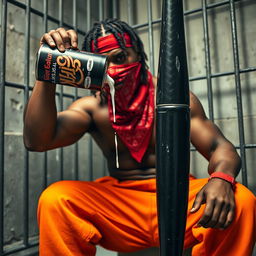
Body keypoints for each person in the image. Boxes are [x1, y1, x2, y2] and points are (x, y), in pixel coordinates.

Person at [23, 18, 256, 256]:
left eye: (121, 58)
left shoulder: (174, 97)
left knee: (242, 201)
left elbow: (219, 147)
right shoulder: (91, 108)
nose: (113, 69)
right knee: (56, 199)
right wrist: (47, 69)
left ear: (138, 54)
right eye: (104, 62)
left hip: (179, 200)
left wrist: (221, 179)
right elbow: (38, 140)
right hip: (121, 209)